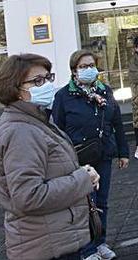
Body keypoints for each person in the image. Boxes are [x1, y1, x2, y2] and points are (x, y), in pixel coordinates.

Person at [0, 54, 99, 260]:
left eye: (48, 78)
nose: (47, 85)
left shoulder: (37, 121)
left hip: (55, 239)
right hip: (44, 246)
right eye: (37, 81)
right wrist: (83, 179)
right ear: (16, 90)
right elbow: (29, 196)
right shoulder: (21, 131)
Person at [51, 50, 130, 260]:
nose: (89, 69)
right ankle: (87, 249)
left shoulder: (105, 92)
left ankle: (100, 242)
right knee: (86, 204)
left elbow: (117, 124)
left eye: (91, 65)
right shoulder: (63, 96)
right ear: (74, 71)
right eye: (83, 66)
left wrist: (123, 152)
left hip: (103, 154)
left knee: (102, 202)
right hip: (78, 159)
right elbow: (57, 130)